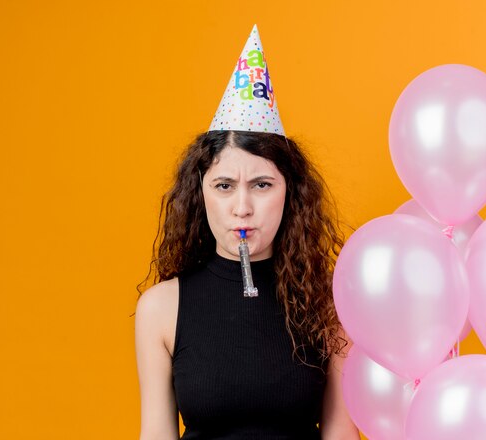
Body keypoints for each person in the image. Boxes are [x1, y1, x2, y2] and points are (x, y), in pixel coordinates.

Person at [136, 26, 359, 440]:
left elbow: (340, 433)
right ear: (200, 193)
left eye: (262, 184)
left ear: (289, 192)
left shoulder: (330, 306)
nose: (242, 207)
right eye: (224, 186)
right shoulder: (161, 309)